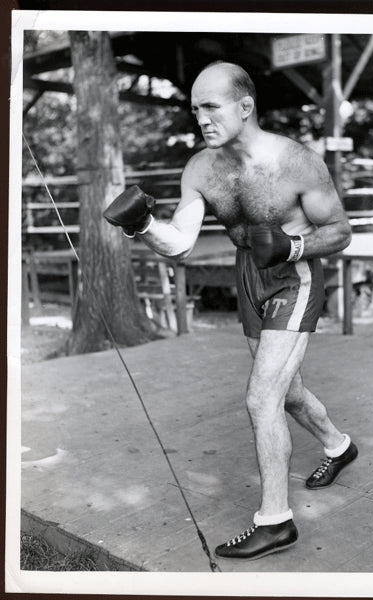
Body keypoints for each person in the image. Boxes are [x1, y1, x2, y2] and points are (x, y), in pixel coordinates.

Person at [104, 61, 358, 561]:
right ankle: (338, 446)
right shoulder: (201, 168)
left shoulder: (296, 162)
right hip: (249, 276)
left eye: (210, 107)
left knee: (262, 398)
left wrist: (291, 247)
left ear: (245, 106)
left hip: (294, 275)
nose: (201, 118)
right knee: (288, 394)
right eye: (195, 109)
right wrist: (143, 226)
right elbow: (181, 243)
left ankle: (275, 522)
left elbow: (341, 232)